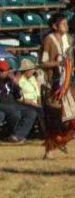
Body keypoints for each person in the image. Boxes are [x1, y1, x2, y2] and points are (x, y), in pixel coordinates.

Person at [41, 12, 75, 152]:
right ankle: (52, 146)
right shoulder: (49, 40)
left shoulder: (69, 39)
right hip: (54, 85)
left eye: (67, 23)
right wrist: (59, 63)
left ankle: (62, 140)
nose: (66, 26)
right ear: (55, 26)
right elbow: (43, 63)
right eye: (63, 24)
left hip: (68, 83)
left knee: (71, 117)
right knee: (55, 118)